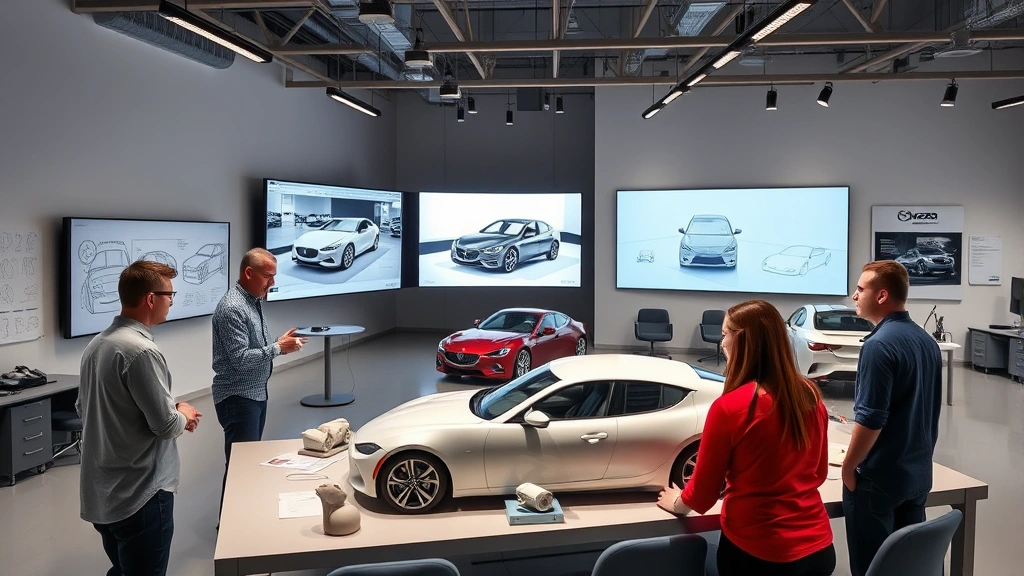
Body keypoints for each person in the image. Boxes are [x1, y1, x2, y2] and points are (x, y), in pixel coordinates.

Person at [658, 299, 835, 576]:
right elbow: (819, 473)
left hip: (759, 555)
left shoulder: (730, 408)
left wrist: (676, 502)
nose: (722, 343)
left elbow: (702, 497)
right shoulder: (809, 395)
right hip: (818, 550)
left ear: (743, 341)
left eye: (725, 334)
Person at [78, 260, 202, 576]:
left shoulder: (96, 345)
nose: (171, 301)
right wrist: (183, 412)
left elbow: (83, 408)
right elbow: (166, 426)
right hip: (142, 495)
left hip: (105, 495)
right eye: (169, 295)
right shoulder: (141, 352)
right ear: (150, 299)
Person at [842, 260, 942, 576]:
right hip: (916, 476)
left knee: (872, 568)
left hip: (879, 480)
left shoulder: (878, 345)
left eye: (860, 289)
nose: (855, 296)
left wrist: (848, 466)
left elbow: (871, 419)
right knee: (906, 567)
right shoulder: (927, 342)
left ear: (882, 295)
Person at [212, 248, 306, 515]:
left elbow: (252, 349)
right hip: (238, 397)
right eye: (267, 276)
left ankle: (242, 516)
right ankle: (230, 524)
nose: (272, 283)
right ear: (248, 273)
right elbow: (240, 359)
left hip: (254, 393)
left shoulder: (252, 301)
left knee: (248, 461)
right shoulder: (233, 308)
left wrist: (279, 343)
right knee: (240, 465)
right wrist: (278, 348)